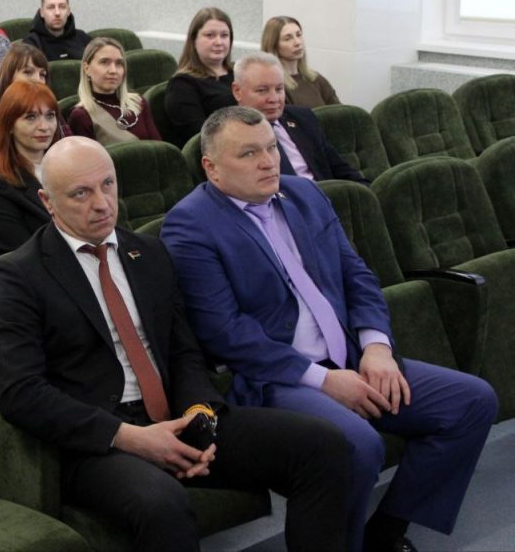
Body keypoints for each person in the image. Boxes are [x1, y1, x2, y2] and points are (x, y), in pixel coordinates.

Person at [0, 135, 351, 552]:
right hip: (98, 440)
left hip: (176, 417)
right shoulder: (19, 278)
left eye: (108, 185)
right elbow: (21, 393)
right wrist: (127, 436)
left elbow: (183, 351)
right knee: (162, 503)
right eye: (80, 194)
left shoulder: (149, 253)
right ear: (47, 202)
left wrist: (199, 415)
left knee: (322, 445)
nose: (102, 204)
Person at [161, 106, 499, 552]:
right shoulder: (190, 225)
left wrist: (376, 345)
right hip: (276, 377)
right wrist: (323, 380)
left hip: (352, 357)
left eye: (270, 148)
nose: (268, 162)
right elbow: (225, 332)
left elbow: (356, 274)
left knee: (471, 402)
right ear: (212, 167)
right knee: (354, 444)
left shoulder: (304, 193)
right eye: (248, 154)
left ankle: (386, 532)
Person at [231, 52, 365, 184]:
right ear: (237, 91)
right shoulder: (229, 134)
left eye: (279, 89)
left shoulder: (302, 118)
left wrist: (366, 191)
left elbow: (340, 168)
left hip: (324, 194)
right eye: (262, 90)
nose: (274, 99)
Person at [0, 81, 60, 257]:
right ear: (9, 125)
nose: (44, 126)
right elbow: (22, 257)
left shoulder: (69, 168)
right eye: (31, 117)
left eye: (50, 116)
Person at [0, 42, 72, 172]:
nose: (38, 80)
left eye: (42, 75)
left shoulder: (49, 110)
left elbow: (71, 155)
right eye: (28, 72)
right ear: (8, 77)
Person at [165, 7, 236, 147]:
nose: (219, 42)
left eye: (224, 35)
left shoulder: (238, 73)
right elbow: (200, 137)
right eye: (210, 35)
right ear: (194, 40)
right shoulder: (182, 85)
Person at [68, 37, 161, 144]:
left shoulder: (138, 102)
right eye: (104, 62)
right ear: (87, 68)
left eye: (119, 63)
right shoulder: (81, 116)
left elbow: (159, 148)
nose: (113, 70)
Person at [261, 16, 341, 108]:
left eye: (298, 35)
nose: (297, 42)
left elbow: (341, 112)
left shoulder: (316, 79)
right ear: (273, 45)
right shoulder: (274, 86)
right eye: (288, 38)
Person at [22, 0, 92, 61]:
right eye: (51, 7)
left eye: (62, 7)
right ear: (41, 12)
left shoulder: (83, 39)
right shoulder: (31, 44)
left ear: (68, 11)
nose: (57, 13)